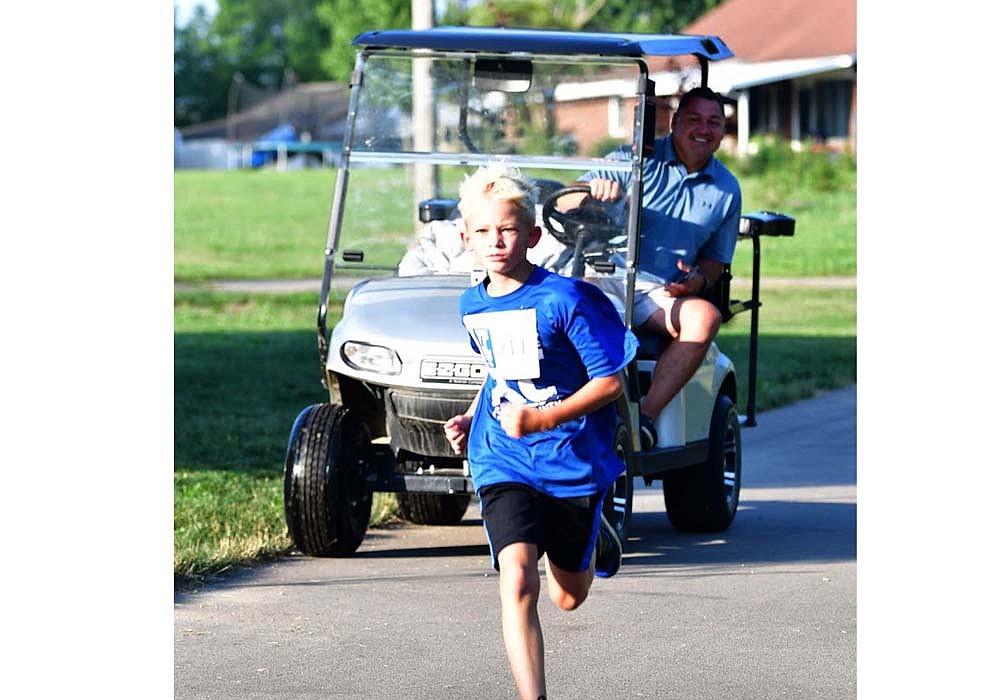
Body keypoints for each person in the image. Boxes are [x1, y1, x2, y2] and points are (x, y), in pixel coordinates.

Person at [443, 163, 638, 700]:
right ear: (465, 239)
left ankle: (593, 537)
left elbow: (610, 384)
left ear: (530, 235)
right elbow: (501, 375)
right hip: (502, 456)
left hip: (570, 458)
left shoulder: (565, 300)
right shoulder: (471, 304)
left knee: (568, 597)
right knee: (519, 579)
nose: (495, 241)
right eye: (482, 232)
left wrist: (543, 418)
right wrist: (471, 414)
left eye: (506, 229)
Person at [562, 86, 742, 449]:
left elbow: (717, 260)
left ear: (723, 130)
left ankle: (642, 418)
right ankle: (572, 411)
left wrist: (698, 281)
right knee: (574, 305)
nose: (703, 130)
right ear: (675, 123)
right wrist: (590, 190)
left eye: (713, 122)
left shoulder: (727, 189)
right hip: (605, 273)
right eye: (694, 120)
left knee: (705, 318)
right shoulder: (637, 160)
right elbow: (567, 199)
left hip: (658, 291)